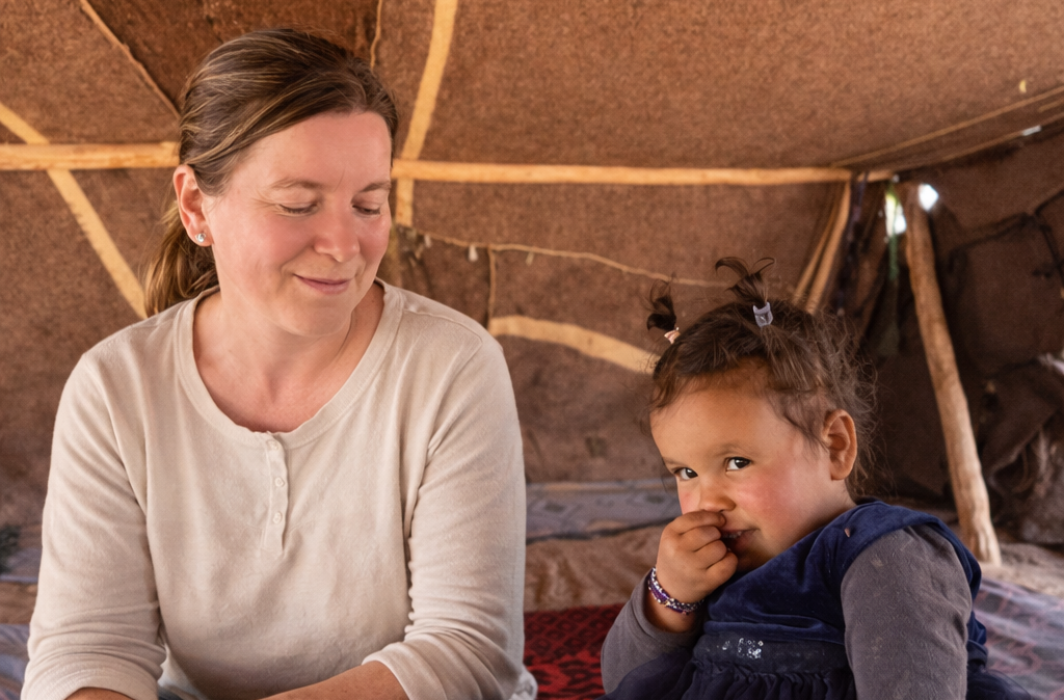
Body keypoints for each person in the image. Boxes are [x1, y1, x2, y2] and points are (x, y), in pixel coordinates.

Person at [23, 28, 535, 700]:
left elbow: (467, 654)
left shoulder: (453, 367)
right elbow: (87, 649)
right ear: (196, 205)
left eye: (369, 205)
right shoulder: (115, 388)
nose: (344, 244)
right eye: (298, 205)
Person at [598, 259, 1028, 699]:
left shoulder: (883, 556)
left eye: (736, 462)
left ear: (835, 445)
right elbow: (625, 684)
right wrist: (669, 596)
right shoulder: (711, 567)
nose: (707, 499)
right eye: (685, 472)